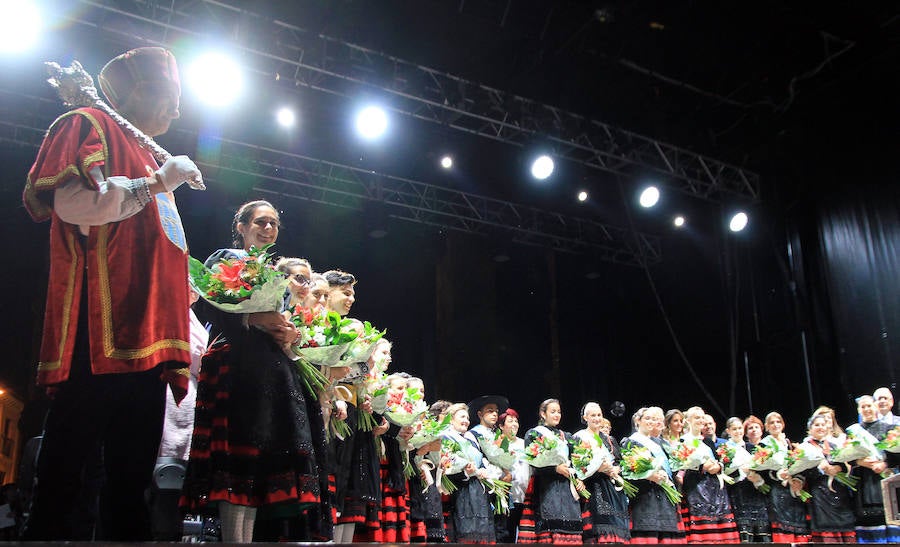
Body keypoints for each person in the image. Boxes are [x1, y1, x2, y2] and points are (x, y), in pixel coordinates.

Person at [22, 46, 200, 541]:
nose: (178, 111)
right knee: (69, 466)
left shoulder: (144, 150)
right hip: (99, 329)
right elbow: (77, 205)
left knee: (131, 478)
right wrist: (155, 183)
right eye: (171, 97)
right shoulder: (87, 124)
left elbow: (156, 238)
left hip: (147, 337)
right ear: (141, 91)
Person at [181, 200, 321, 543]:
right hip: (236, 365)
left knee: (260, 464)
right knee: (237, 459)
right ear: (241, 226)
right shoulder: (225, 259)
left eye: (273, 223)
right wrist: (252, 317)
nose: (268, 228)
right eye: (261, 222)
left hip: (270, 371)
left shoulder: (274, 273)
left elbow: (285, 321)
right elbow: (221, 306)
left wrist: (292, 334)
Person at [519, 399, 583, 544]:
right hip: (546, 487)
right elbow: (534, 464)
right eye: (553, 412)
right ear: (543, 414)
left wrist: (578, 477)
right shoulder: (534, 433)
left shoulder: (566, 436)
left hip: (567, 487)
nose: (557, 415)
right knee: (549, 529)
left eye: (559, 412)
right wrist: (555, 469)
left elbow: (575, 461)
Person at [622, 406, 685, 543]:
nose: (651, 422)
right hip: (645, 500)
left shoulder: (659, 442)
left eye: (654, 419)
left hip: (665, 499)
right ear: (638, 421)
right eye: (647, 418)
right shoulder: (630, 442)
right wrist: (650, 475)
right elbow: (629, 472)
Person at [676, 406, 739, 543]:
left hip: (716, 490)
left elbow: (720, 460)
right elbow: (680, 466)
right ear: (688, 420)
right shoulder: (682, 441)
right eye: (696, 417)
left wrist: (718, 466)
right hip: (696, 489)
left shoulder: (708, 441)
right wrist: (701, 467)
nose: (700, 420)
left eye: (702, 417)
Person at [576, 402, 630, 543]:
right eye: (593, 415)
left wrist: (616, 469)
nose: (597, 418)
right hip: (593, 487)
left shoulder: (608, 439)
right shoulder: (580, 437)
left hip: (613, 489)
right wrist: (598, 468)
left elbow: (620, 462)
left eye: (599, 415)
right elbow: (577, 465)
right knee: (598, 532)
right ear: (585, 417)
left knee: (617, 532)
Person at [442, 402, 496, 543]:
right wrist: (466, 473)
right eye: (462, 417)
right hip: (461, 493)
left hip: (477, 493)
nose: (466, 420)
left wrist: (484, 469)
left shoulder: (469, 440)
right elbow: (447, 469)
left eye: (467, 417)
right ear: (451, 419)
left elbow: (481, 458)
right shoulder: (446, 438)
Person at [848, 395, 899, 543]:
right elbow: (846, 458)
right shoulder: (853, 432)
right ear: (859, 410)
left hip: (885, 479)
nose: (866, 409)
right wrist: (859, 461)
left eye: (869, 405)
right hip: (863, 484)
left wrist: (884, 463)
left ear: (875, 407)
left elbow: (896, 455)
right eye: (863, 407)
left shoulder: (889, 429)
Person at [802, 414, 856, 543]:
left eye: (823, 424)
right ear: (810, 429)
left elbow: (844, 464)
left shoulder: (834, 445)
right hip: (820, 495)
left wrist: (838, 468)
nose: (820, 427)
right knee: (827, 535)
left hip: (839, 494)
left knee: (846, 533)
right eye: (816, 425)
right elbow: (802, 472)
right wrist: (821, 469)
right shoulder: (805, 447)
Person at [761, 411, 810, 543]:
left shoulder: (789, 443)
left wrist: (798, 480)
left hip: (793, 491)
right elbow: (761, 470)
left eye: (778, 422)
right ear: (766, 426)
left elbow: (799, 463)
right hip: (777, 491)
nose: (775, 425)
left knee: (798, 526)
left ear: (783, 424)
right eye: (772, 422)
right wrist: (778, 475)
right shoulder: (764, 445)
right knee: (783, 528)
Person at [722, 417, 770, 543]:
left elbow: (763, 467)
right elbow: (724, 472)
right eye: (734, 429)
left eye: (739, 428)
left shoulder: (752, 447)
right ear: (728, 431)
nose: (738, 431)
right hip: (739, 492)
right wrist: (740, 471)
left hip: (755, 491)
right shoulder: (725, 449)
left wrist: (757, 477)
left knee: (761, 527)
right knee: (745, 529)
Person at [498, 408, 529, 542]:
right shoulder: (497, 444)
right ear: (501, 426)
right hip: (506, 496)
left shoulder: (525, 443)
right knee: (507, 534)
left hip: (525, 496)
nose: (514, 424)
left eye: (516, 421)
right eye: (510, 421)